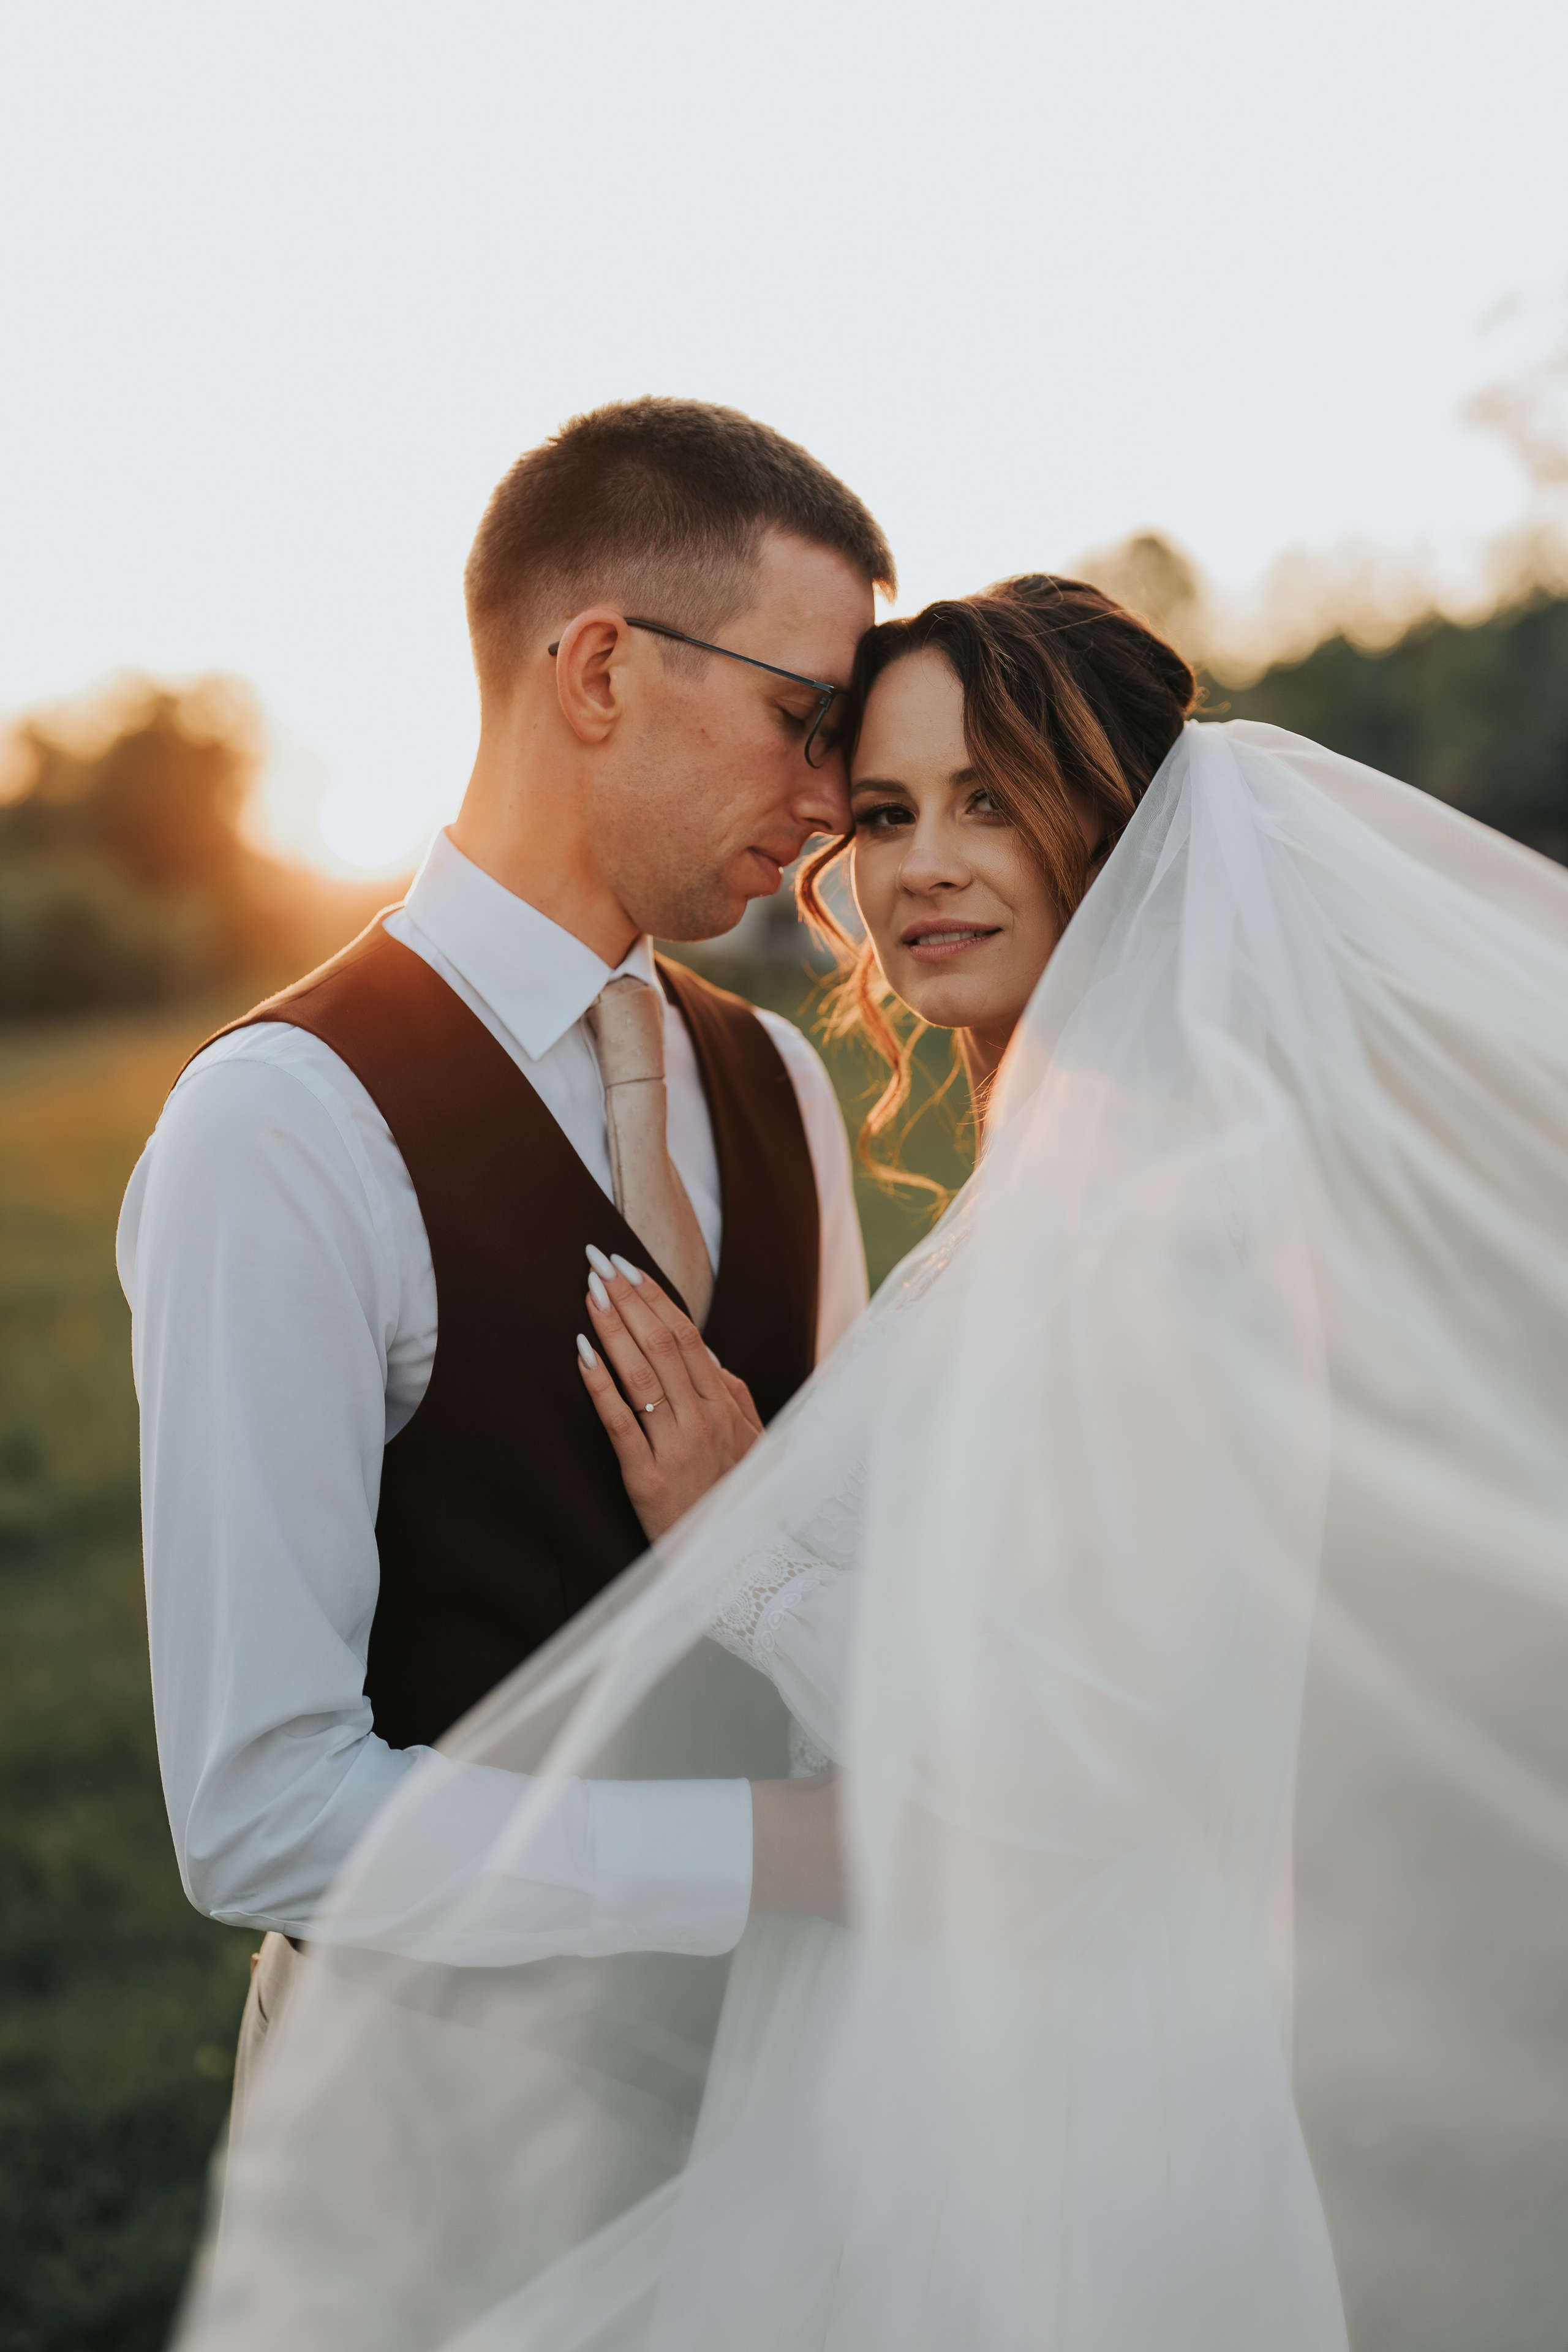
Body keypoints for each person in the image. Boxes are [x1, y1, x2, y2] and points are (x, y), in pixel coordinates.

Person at [183, 578, 1568, 2351]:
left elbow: (1084, 1756)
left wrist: (741, 1534)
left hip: (1045, 2093)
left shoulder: (1171, 1219)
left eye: (994, 800)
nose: (921, 864)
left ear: (1128, 831)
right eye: (892, 811)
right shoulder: (1061, 1182)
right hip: (928, 2045)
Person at [116, 397, 895, 2120]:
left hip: (781, 2097)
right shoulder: (284, 1127)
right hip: (430, 2146)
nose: (835, 798)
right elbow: (262, 1815)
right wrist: (768, 1853)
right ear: (601, 671)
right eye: (801, 716)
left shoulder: (775, 1084)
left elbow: (845, 1579)